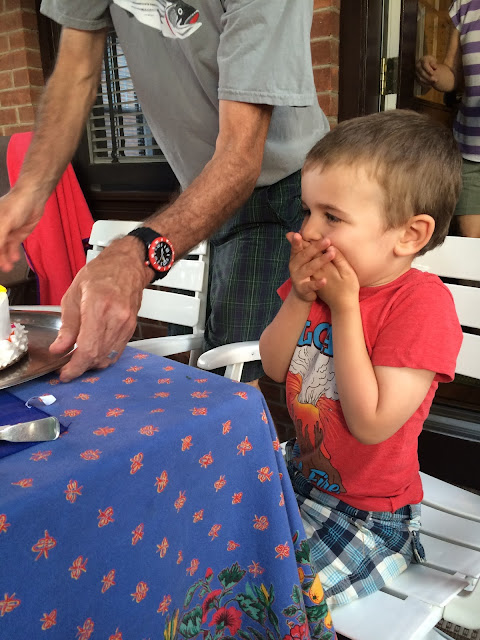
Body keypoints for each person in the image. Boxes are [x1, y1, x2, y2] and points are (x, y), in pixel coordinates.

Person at [0, 1, 329, 385]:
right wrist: (27, 192)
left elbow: (240, 157)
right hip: (201, 185)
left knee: (229, 372)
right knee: (186, 364)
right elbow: (75, 70)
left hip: (277, 184)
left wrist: (133, 258)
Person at [259, 109, 463, 607]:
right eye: (308, 211)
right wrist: (300, 298)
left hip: (369, 516)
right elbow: (273, 366)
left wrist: (346, 309)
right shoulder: (318, 287)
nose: (309, 230)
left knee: (275, 599)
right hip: (299, 476)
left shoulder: (421, 306)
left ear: (409, 235)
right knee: (210, 534)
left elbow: (371, 423)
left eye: (332, 216)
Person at [416, 0, 480, 238]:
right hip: (471, 150)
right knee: (472, 245)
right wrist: (433, 72)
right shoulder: (465, 4)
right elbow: (452, 76)